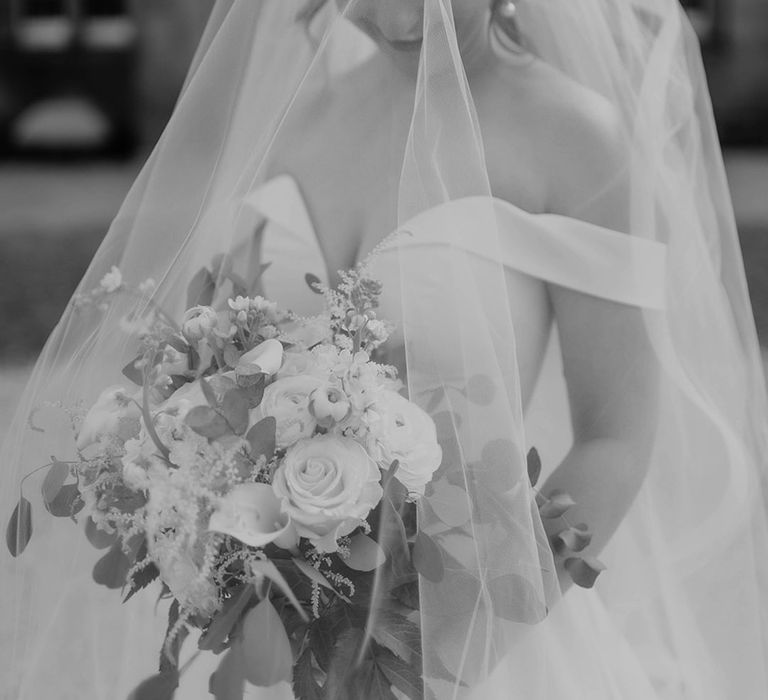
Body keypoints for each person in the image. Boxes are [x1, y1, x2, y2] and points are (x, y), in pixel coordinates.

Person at [2, 1, 767, 698]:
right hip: (294, 635)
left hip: (484, 637)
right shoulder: (297, 119)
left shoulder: (578, 139)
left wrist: (447, 652)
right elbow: (221, 382)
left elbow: (616, 435)